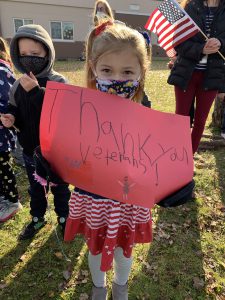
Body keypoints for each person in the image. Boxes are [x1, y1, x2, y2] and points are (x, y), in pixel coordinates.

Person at [64, 21, 152, 300]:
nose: (116, 79)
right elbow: (69, 153)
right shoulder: (80, 109)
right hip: (93, 197)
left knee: (123, 249)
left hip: (128, 199)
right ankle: (99, 287)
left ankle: (121, 287)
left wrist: (174, 184)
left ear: (141, 72)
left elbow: (154, 157)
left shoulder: (145, 110)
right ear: (93, 69)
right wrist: (54, 163)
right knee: (95, 247)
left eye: (127, 71)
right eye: (107, 71)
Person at [1, 24, 71, 239]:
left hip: (57, 154)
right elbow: (15, 109)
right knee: (36, 191)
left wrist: (36, 92)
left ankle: (64, 219)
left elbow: (61, 115)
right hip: (31, 151)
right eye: (23, 54)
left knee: (60, 190)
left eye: (35, 54)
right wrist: (10, 118)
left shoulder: (58, 82)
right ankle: (37, 219)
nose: (29, 58)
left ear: (47, 53)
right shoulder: (17, 85)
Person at [167, 0, 225, 154]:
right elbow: (178, 42)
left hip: (212, 76)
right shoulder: (191, 6)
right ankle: (177, 156)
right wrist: (201, 49)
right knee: (181, 119)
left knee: (200, 122)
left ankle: (188, 158)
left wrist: (221, 43)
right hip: (187, 73)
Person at [0, 37, 21, 222]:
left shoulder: (1, 71)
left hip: (2, 133)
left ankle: (13, 200)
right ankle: (4, 198)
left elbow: (8, 102)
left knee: (4, 168)